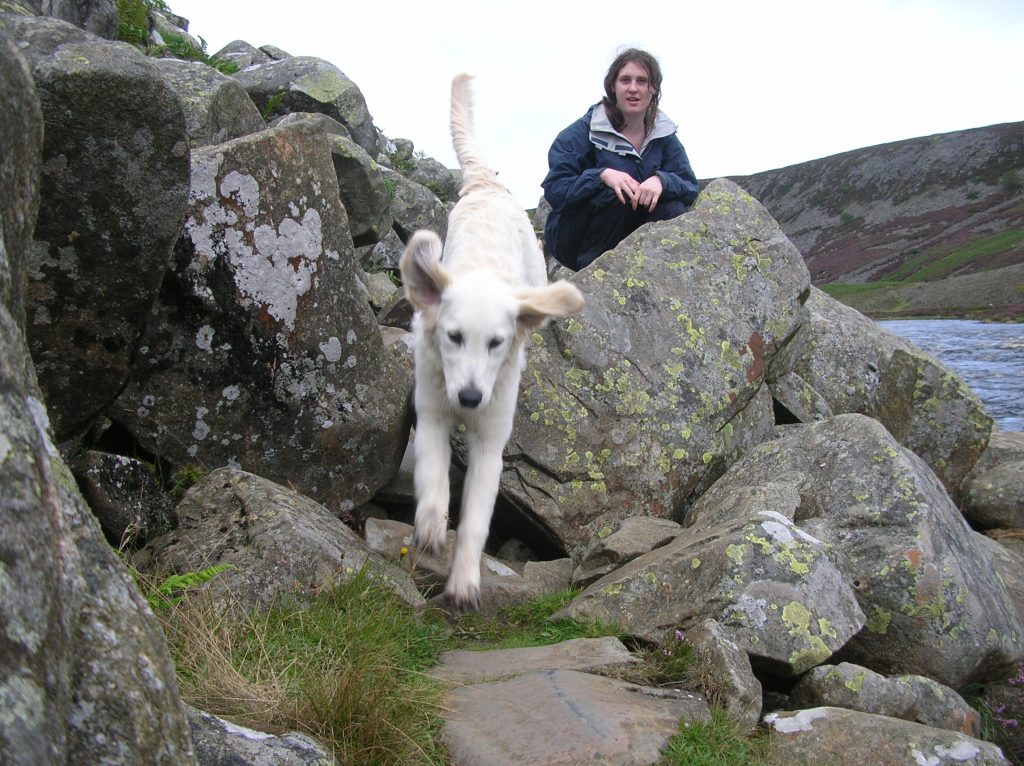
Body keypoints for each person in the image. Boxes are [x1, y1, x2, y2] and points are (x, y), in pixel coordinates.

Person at [542, 48, 699, 271]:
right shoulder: (581, 133)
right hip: (575, 237)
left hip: (632, 229)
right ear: (613, 87)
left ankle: (656, 279)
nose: (633, 88)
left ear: (652, 89)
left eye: (642, 81)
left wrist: (661, 181)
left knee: (672, 208)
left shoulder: (664, 137)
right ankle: (595, 277)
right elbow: (556, 190)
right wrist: (601, 176)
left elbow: (689, 186)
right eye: (625, 80)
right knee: (618, 193)